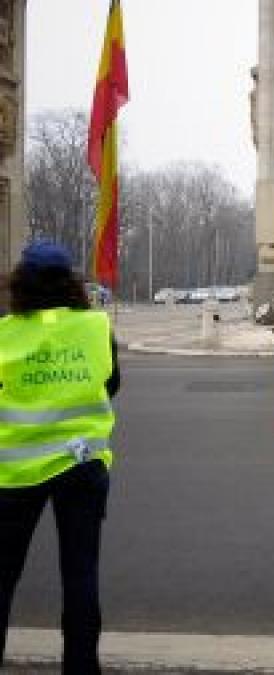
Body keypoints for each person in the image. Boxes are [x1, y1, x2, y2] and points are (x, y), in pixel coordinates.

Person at [0, 241, 120, 674]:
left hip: (14, 472)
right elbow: (111, 385)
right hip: (82, 464)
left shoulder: (5, 333)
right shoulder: (95, 327)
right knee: (80, 575)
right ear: (71, 282)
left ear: (21, 283)